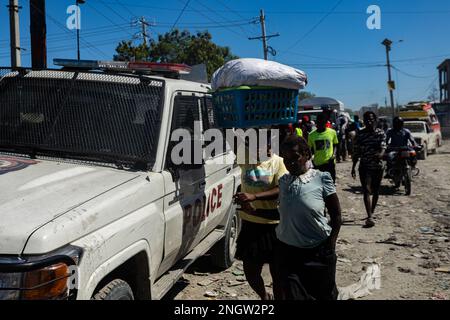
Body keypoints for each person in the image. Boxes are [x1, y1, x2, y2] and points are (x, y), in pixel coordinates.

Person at [275, 135, 342, 300]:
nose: (290, 162)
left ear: (306, 155)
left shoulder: (321, 178)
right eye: (285, 159)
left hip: (318, 251)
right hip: (288, 252)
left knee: (323, 295)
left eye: (295, 157)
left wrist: (331, 245)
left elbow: (336, 215)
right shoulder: (283, 182)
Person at [233, 131, 288, 300]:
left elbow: (282, 189)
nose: (256, 149)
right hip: (250, 224)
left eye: (261, 145)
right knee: (250, 271)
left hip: (273, 225)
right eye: (254, 145)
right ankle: (265, 296)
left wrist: (254, 197)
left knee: (277, 273)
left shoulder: (278, 163)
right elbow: (232, 138)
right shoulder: (245, 158)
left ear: (270, 145)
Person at [351, 111, 386, 228]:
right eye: (367, 120)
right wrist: (353, 167)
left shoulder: (380, 133)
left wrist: (381, 154)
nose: (369, 122)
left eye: (371, 119)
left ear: (375, 120)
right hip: (364, 166)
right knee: (366, 190)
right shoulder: (360, 134)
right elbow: (356, 152)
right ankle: (369, 216)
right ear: (364, 121)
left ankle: (371, 211)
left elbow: (383, 146)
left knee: (375, 191)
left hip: (378, 166)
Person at [308, 113, 339, 183]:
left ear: (325, 123)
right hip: (317, 164)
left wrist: (334, 155)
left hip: (330, 163)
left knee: (331, 184)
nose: (320, 125)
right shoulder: (311, 135)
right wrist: (310, 160)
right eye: (318, 123)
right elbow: (310, 149)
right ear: (316, 123)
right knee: (319, 185)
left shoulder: (332, 132)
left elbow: (336, 144)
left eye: (322, 123)